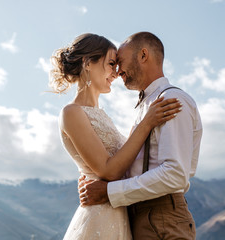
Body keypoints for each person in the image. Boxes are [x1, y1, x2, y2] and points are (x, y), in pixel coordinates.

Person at [50, 33, 182, 239]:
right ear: (87, 63)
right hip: (100, 216)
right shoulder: (72, 112)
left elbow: (122, 164)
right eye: (112, 63)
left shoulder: (102, 116)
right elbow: (108, 171)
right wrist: (147, 122)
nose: (117, 72)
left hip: (120, 213)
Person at [79, 32, 203, 240]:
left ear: (143, 55)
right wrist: (92, 181)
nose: (117, 72)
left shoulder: (171, 100)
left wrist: (109, 191)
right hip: (139, 215)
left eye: (120, 61)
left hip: (162, 217)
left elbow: (174, 174)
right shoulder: (146, 106)